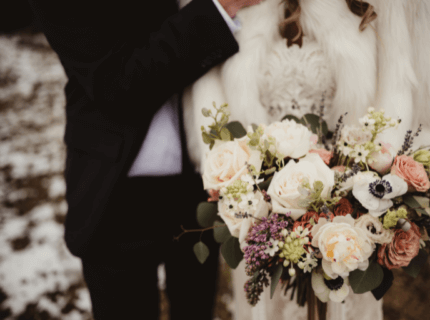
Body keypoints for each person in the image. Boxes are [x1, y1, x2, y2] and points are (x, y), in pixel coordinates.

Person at [183, 0, 430, 319]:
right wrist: (241, 192)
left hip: (352, 224)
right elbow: (206, 90)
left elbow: (411, 95)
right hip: (258, 222)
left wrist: (369, 198)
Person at [27, 0, 262, 319]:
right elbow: (116, 83)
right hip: (113, 194)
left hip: (197, 188)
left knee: (196, 310)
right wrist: (217, 11)